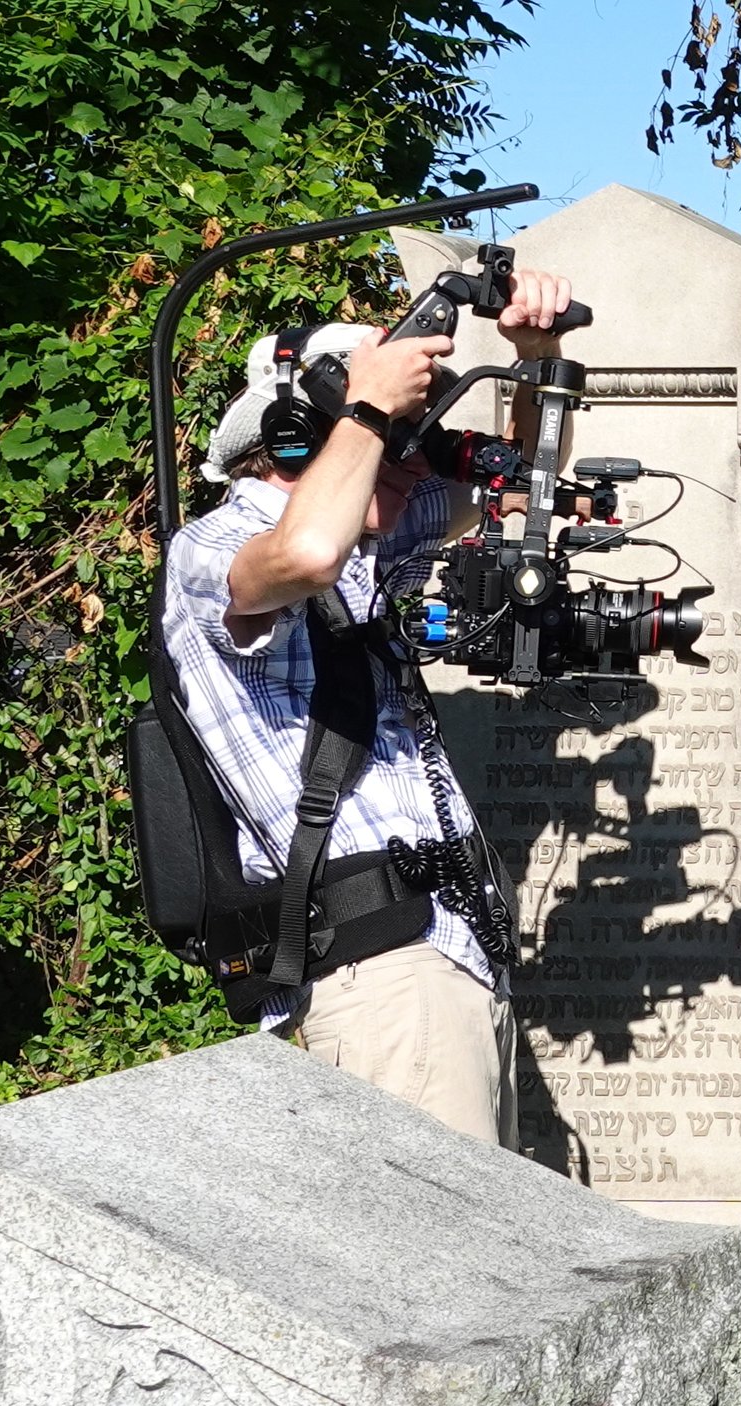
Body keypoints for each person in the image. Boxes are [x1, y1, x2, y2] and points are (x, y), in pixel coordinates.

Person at [162, 271, 576, 1143]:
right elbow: (306, 552)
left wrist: (537, 358)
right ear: (296, 436)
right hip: (379, 975)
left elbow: (526, 482)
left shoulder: (375, 532)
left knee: (492, 1255)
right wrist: (370, 410)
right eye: (401, 440)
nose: (419, 466)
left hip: (444, 957)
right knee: (445, 1266)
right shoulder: (216, 549)